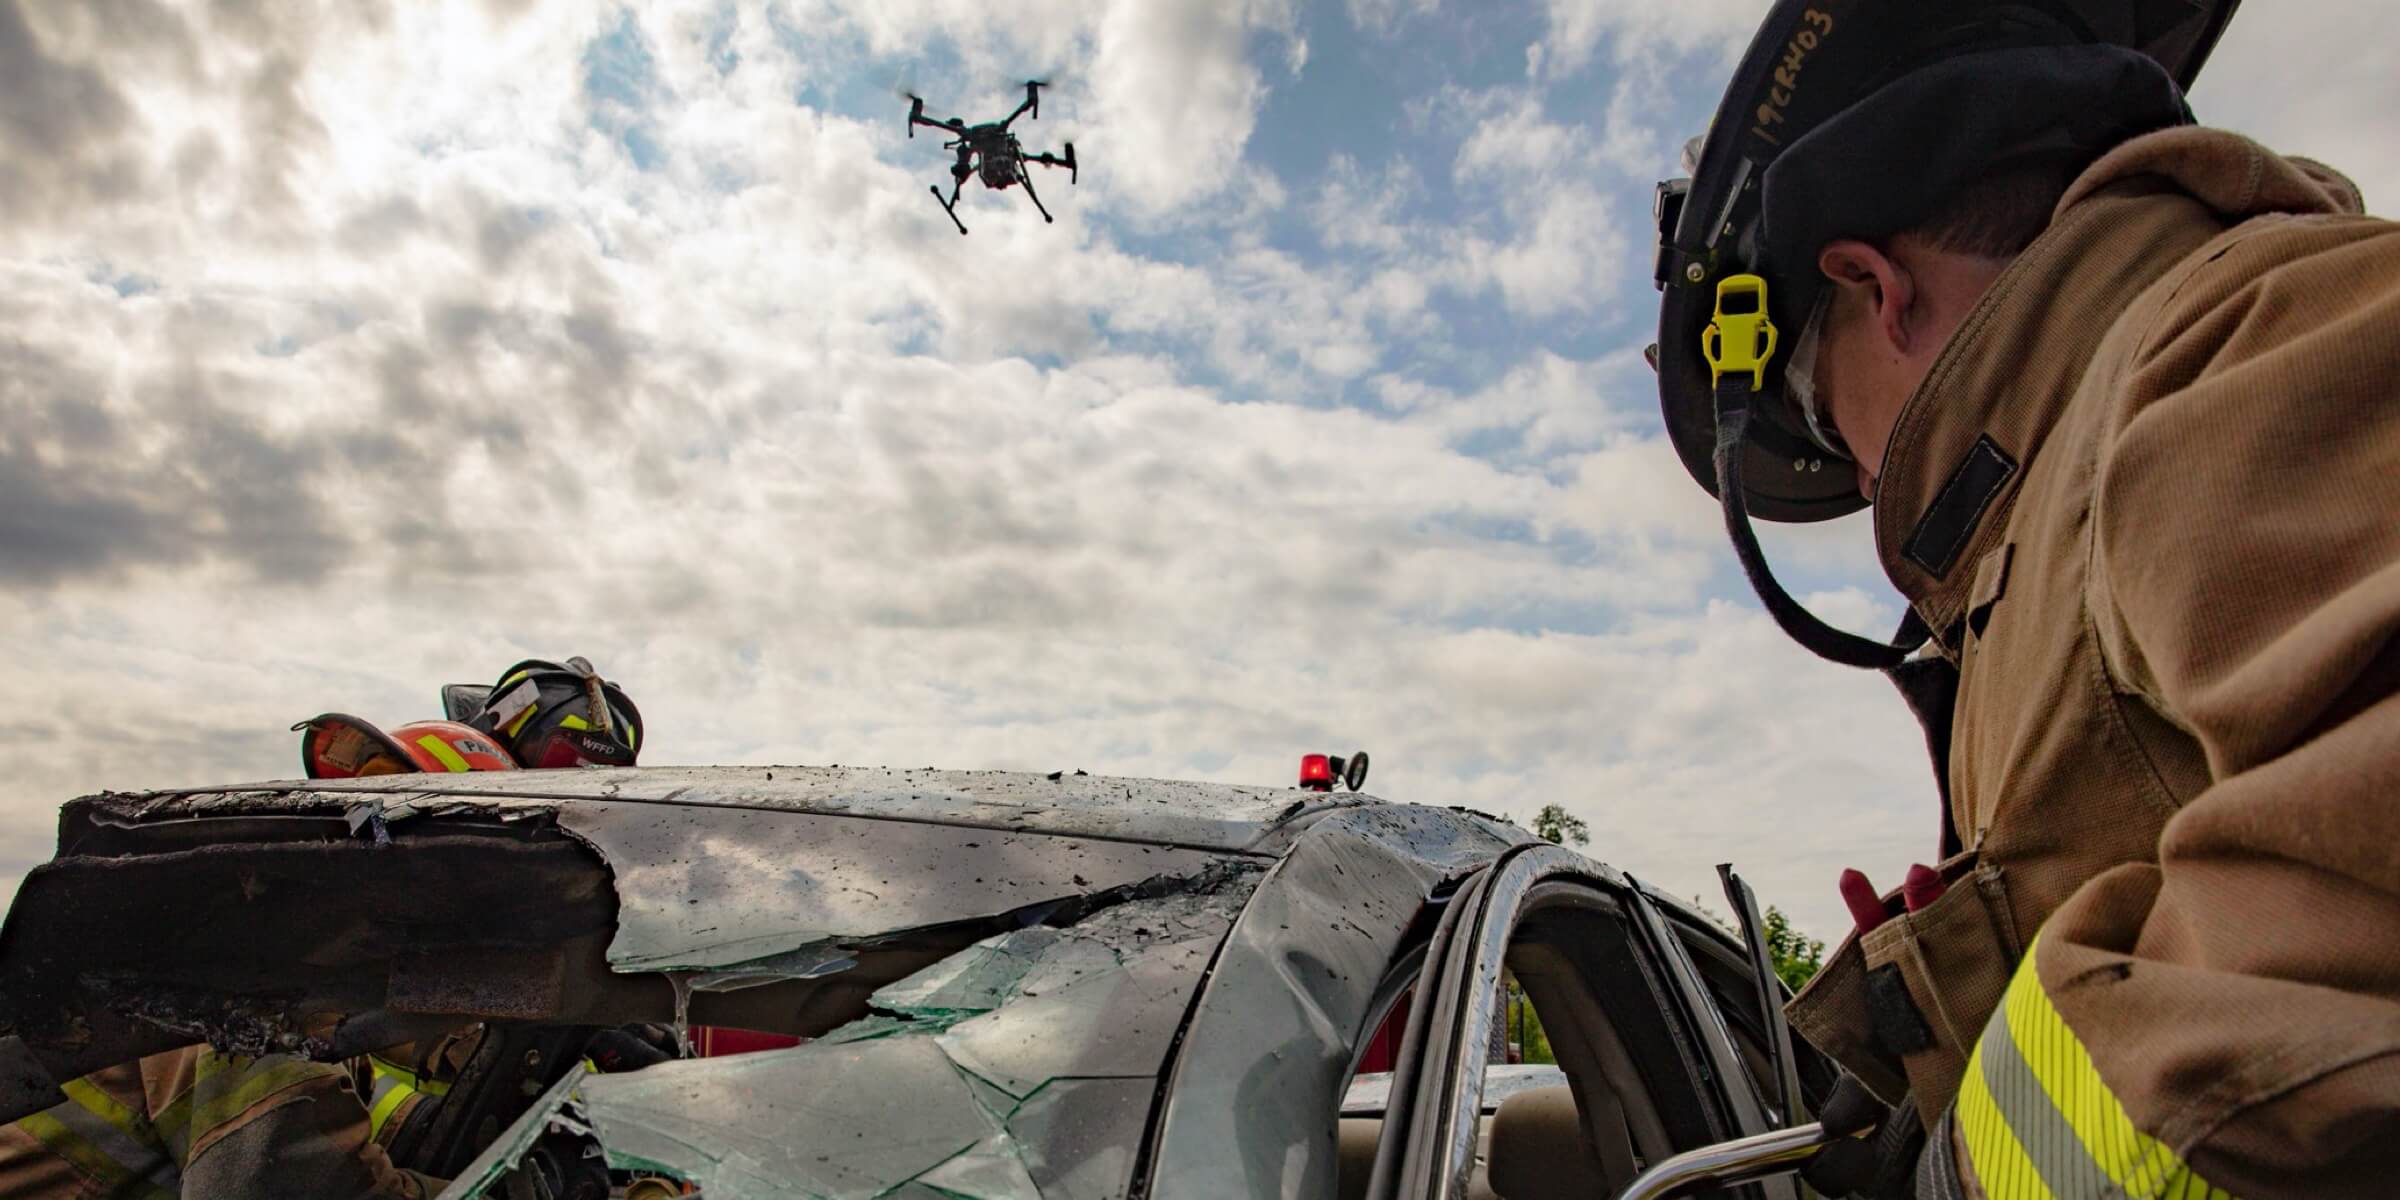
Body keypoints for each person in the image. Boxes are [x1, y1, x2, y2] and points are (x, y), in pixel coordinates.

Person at [1651, 4, 2399, 1196]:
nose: (1853, 469)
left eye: (1820, 408)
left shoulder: (2230, 348)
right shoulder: (2062, 493)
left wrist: (1976, 1173)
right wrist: (1974, 964)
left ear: (1875, 290)